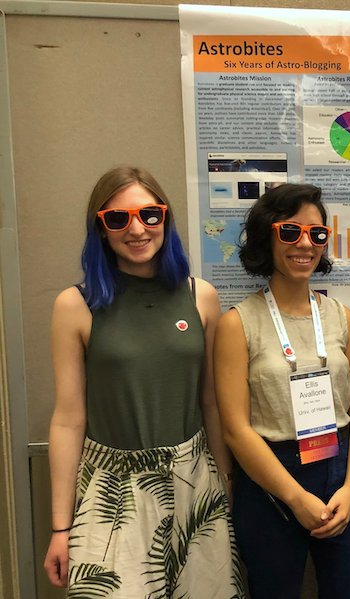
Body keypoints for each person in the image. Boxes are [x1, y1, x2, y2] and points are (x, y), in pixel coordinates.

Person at [43, 166, 244, 596]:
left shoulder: (201, 297)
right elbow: (67, 420)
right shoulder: (75, 306)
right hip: (112, 490)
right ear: (101, 228)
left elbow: (211, 403)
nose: (137, 229)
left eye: (149, 215)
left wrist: (225, 486)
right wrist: (61, 527)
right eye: (118, 219)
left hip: (195, 480)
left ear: (165, 219)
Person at [214, 183, 350, 598]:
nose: (306, 244)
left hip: (340, 475)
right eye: (291, 232)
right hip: (271, 481)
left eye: (317, 234)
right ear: (268, 236)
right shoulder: (238, 323)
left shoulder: (343, 318)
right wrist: (295, 497)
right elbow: (235, 429)